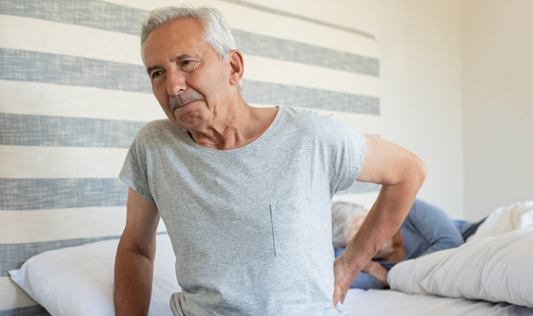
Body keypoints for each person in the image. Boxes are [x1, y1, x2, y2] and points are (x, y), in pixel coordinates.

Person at [113, 4, 427, 316]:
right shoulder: (153, 147)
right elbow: (135, 248)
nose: (173, 86)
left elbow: (408, 171)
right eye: (157, 73)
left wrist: (349, 264)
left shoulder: (309, 136)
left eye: (187, 62)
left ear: (233, 68)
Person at [332, 199, 484, 289]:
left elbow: (452, 243)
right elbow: (335, 279)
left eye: (361, 227)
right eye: (354, 244)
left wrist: (392, 276)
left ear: (370, 212)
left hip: (480, 234)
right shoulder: (371, 268)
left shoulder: (408, 209)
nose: (365, 240)